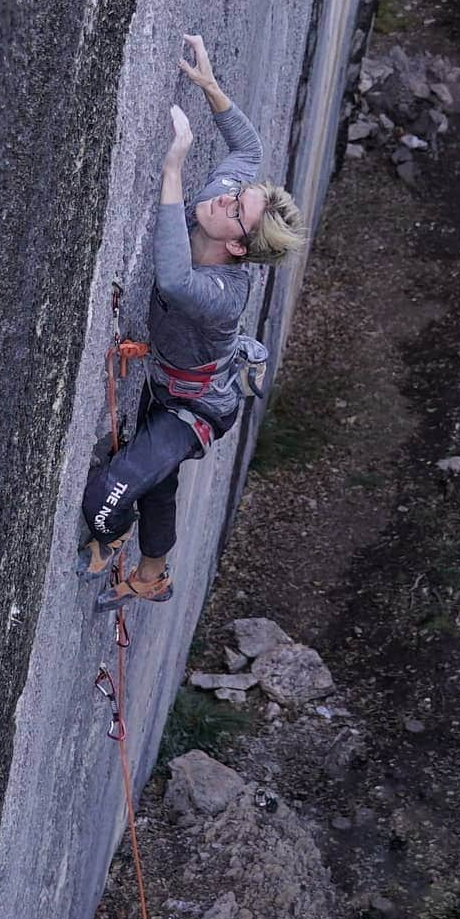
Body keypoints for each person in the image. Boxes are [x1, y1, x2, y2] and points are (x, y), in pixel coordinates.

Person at [78, 34, 305, 606]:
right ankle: (152, 575)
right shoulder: (224, 197)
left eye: (237, 210)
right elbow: (248, 149)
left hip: (200, 406)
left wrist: (173, 167)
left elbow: (175, 278)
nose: (225, 198)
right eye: (236, 195)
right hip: (167, 379)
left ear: (238, 244)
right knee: (157, 483)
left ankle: (113, 535)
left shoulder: (223, 293)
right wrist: (211, 88)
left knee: (109, 494)